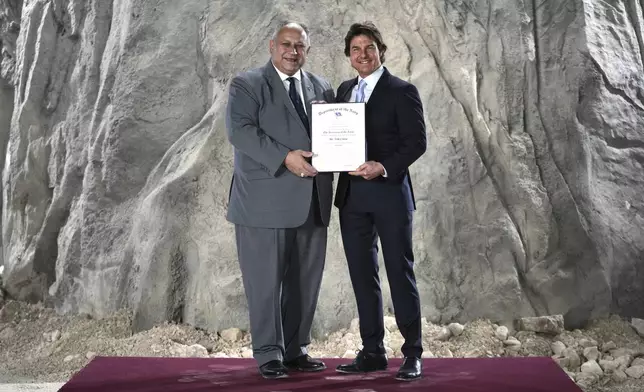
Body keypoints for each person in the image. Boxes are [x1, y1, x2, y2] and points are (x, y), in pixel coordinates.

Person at [225, 21, 335, 379]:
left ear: (308, 49)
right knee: (265, 283)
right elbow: (240, 131)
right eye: (286, 44)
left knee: (305, 282)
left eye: (299, 46)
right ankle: (268, 353)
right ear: (272, 45)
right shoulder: (248, 84)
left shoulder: (321, 86)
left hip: (313, 201)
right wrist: (286, 157)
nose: (292, 52)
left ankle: (296, 350)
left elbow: (334, 136)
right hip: (263, 202)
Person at [333, 22, 427, 381]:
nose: (363, 54)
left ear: (380, 51)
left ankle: (413, 354)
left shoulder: (402, 91)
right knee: (362, 276)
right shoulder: (344, 91)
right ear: (349, 56)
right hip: (352, 199)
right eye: (355, 49)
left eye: (369, 47)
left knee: (400, 273)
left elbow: (416, 142)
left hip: (389, 195)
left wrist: (383, 166)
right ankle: (372, 352)